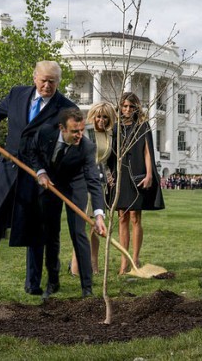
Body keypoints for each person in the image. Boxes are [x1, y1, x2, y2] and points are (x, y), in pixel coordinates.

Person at [0, 61, 77, 298]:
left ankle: (33, 284)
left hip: (40, 177)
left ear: (59, 82)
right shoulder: (17, 94)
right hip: (9, 171)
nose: (47, 85)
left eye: (53, 81)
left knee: (36, 232)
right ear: (34, 78)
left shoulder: (66, 109)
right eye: (43, 80)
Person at [27, 108, 107, 299]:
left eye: (81, 130)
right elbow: (33, 152)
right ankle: (52, 282)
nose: (80, 135)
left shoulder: (87, 147)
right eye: (74, 131)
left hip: (75, 185)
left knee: (78, 233)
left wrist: (98, 215)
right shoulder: (45, 133)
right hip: (50, 184)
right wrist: (41, 172)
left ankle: (87, 288)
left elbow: (94, 182)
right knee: (51, 234)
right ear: (62, 128)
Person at [107, 92, 164, 274]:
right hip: (120, 174)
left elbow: (148, 152)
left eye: (131, 106)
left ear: (136, 108)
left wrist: (149, 175)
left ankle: (135, 258)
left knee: (135, 217)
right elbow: (108, 153)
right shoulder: (115, 128)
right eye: (124, 106)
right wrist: (109, 174)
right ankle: (124, 260)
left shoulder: (142, 126)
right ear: (120, 107)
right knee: (122, 216)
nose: (127, 110)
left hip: (137, 174)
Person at [69, 102, 116, 277]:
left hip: (99, 184)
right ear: (92, 116)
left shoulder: (110, 135)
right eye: (98, 116)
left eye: (105, 117)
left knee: (97, 226)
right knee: (82, 225)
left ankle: (94, 264)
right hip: (82, 183)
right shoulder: (84, 132)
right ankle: (75, 266)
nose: (101, 120)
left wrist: (110, 174)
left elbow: (109, 161)